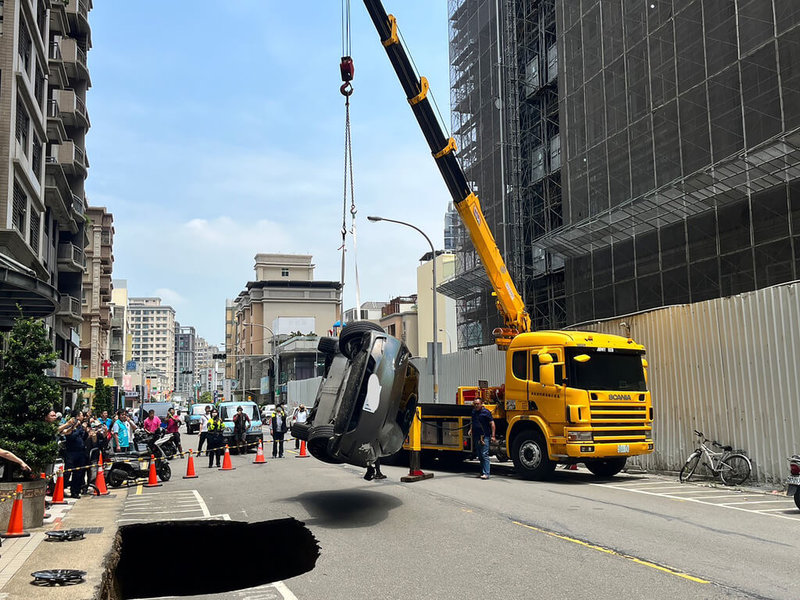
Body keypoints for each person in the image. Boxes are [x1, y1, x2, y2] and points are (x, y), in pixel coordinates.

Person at [60, 409, 89, 498]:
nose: (82, 417)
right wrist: (76, 429)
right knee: (68, 472)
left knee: (79, 473)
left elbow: (83, 437)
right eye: (81, 415)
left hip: (80, 452)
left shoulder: (81, 426)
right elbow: (70, 436)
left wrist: (85, 431)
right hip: (71, 453)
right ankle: (61, 489)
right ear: (76, 417)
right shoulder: (71, 426)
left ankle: (75, 491)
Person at [468, 398, 495, 480]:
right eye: (475, 404)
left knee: (484, 454)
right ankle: (482, 472)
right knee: (479, 455)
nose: (476, 405)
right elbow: (473, 422)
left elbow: (492, 424)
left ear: (481, 404)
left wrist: (493, 436)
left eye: (478, 404)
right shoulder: (474, 412)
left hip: (484, 436)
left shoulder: (486, 412)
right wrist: (471, 429)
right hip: (476, 436)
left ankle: (486, 473)